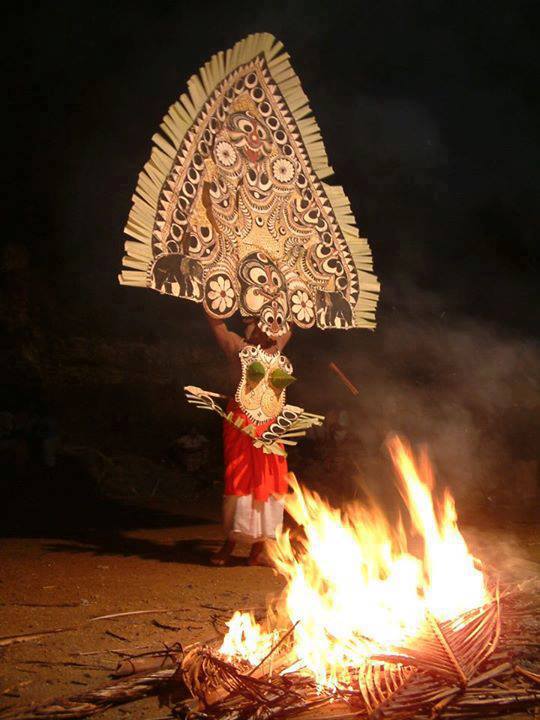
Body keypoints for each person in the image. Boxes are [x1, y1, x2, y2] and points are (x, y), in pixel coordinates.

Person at [207, 314, 292, 566]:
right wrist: (209, 296)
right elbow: (216, 325)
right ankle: (231, 542)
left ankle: (259, 548)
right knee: (240, 478)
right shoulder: (237, 346)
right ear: (250, 331)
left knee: (270, 479)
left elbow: (292, 325)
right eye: (261, 326)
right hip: (242, 422)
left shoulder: (275, 349)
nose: (268, 331)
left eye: (271, 325)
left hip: (271, 422)